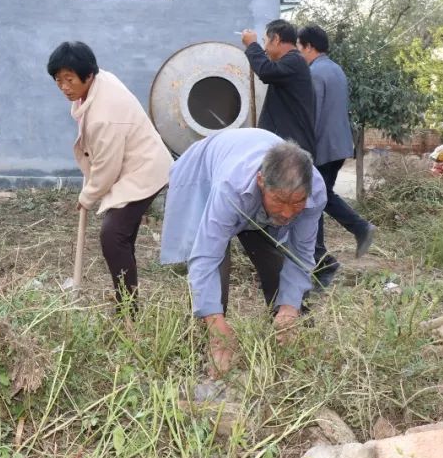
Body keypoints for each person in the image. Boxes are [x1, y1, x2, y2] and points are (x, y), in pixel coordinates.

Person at [160, 128, 325, 375]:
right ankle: (201, 355)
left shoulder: (314, 190)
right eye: (280, 201)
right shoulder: (231, 187)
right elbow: (206, 255)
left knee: (277, 270)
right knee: (216, 275)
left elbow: (301, 254)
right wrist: (216, 325)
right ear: (261, 182)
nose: (289, 213)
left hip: (249, 187)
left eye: (297, 203)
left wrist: (290, 307)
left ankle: (288, 341)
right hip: (205, 175)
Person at [47, 41, 173, 311]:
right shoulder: (99, 81)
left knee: (113, 235)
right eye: (59, 81)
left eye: (70, 80)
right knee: (121, 237)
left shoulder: (105, 114)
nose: (64, 87)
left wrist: (87, 196)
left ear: (88, 75)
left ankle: (128, 308)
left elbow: (107, 167)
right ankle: (128, 304)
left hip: (144, 170)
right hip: (135, 164)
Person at [297, 25, 376, 287]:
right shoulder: (335, 69)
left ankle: (323, 263)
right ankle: (359, 229)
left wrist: (302, 151)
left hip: (322, 147)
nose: (299, 53)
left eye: (299, 48)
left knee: (314, 200)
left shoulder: (314, 73)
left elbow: (313, 116)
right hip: (339, 145)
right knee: (324, 195)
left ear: (308, 46)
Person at [240, 20, 317, 156]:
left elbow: (265, 71)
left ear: (275, 39)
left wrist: (252, 45)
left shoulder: (295, 61)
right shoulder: (292, 62)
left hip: (292, 151)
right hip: (288, 148)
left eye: (265, 41)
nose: (264, 49)